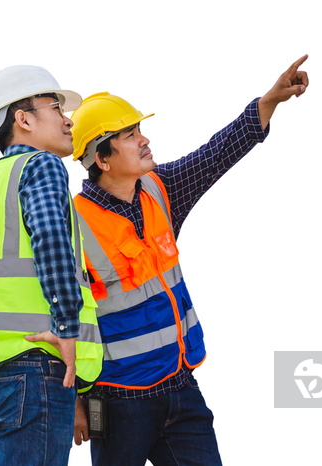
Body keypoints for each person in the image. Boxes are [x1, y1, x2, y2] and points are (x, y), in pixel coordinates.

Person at [69, 55, 309, 465]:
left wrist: (269, 101)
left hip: (180, 387)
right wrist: (74, 399)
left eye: (140, 129)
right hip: (119, 399)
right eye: (129, 134)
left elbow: (215, 155)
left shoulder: (159, 190)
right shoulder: (73, 226)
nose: (144, 139)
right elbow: (61, 313)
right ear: (103, 160)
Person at [0, 65, 103, 466]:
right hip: (37, 359)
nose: (67, 119)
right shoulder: (42, 166)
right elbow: (51, 243)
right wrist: (66, 328)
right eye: (55, 107)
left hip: (0, 366)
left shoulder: (1, 176)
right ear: (22, 119)